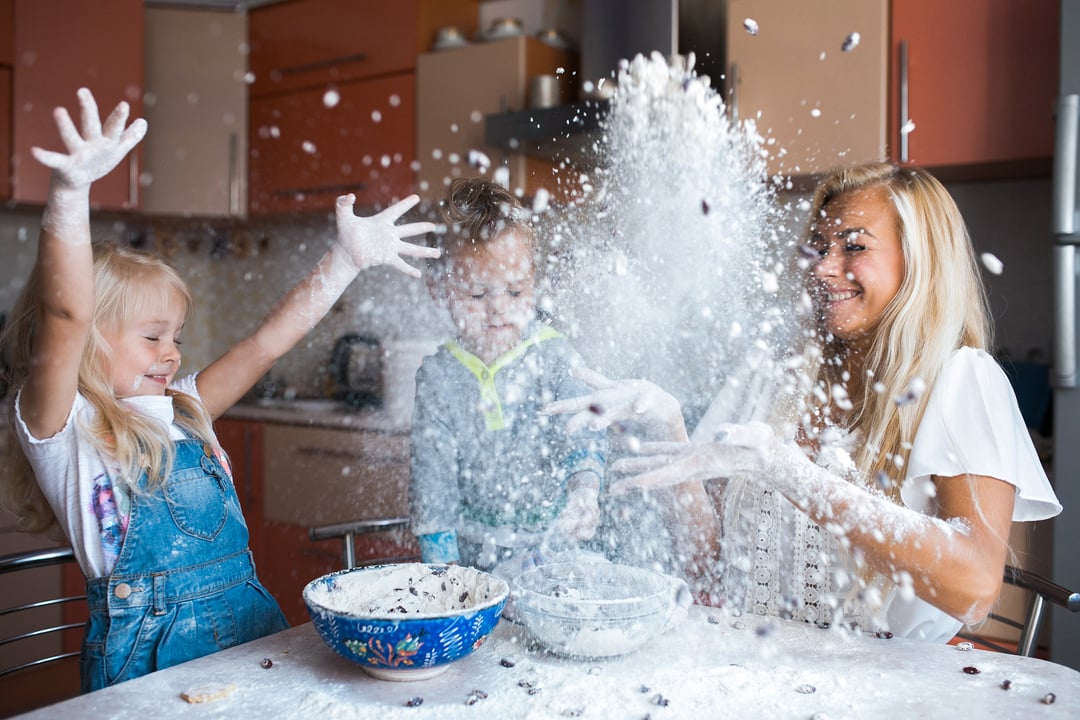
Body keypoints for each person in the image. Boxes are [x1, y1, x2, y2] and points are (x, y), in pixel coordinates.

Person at [0, 88, 438, 691]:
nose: (172, 352)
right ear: (87, 346)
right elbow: (66, 316)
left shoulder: (185, 407)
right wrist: (70, 196)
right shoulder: (63, 429)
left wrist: (343, 262)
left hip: (251, 635)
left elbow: (264, 345)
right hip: (146, 667)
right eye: (152, 337)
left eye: (175, 336)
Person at [546, 161, 1061, 641]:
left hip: (892, 694)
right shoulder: (774, 376)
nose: (823, 268)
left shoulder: (961, 382)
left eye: (854, 247)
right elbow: (710, 561)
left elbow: (973, 589)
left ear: (919, 261)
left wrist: (791, 472)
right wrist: (669, 424)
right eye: (819, 247)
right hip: (761, 670)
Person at [409, 177, 606, 578]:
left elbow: (584, 433)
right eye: (478, 296)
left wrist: (585, 492)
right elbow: (432, 482)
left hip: (556, 552)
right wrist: (444, 575)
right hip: (472, 562)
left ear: (533, 281)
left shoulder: (556, 356)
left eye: (515, 292)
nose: (498, 309)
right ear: (440, 289)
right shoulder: (439, 377)